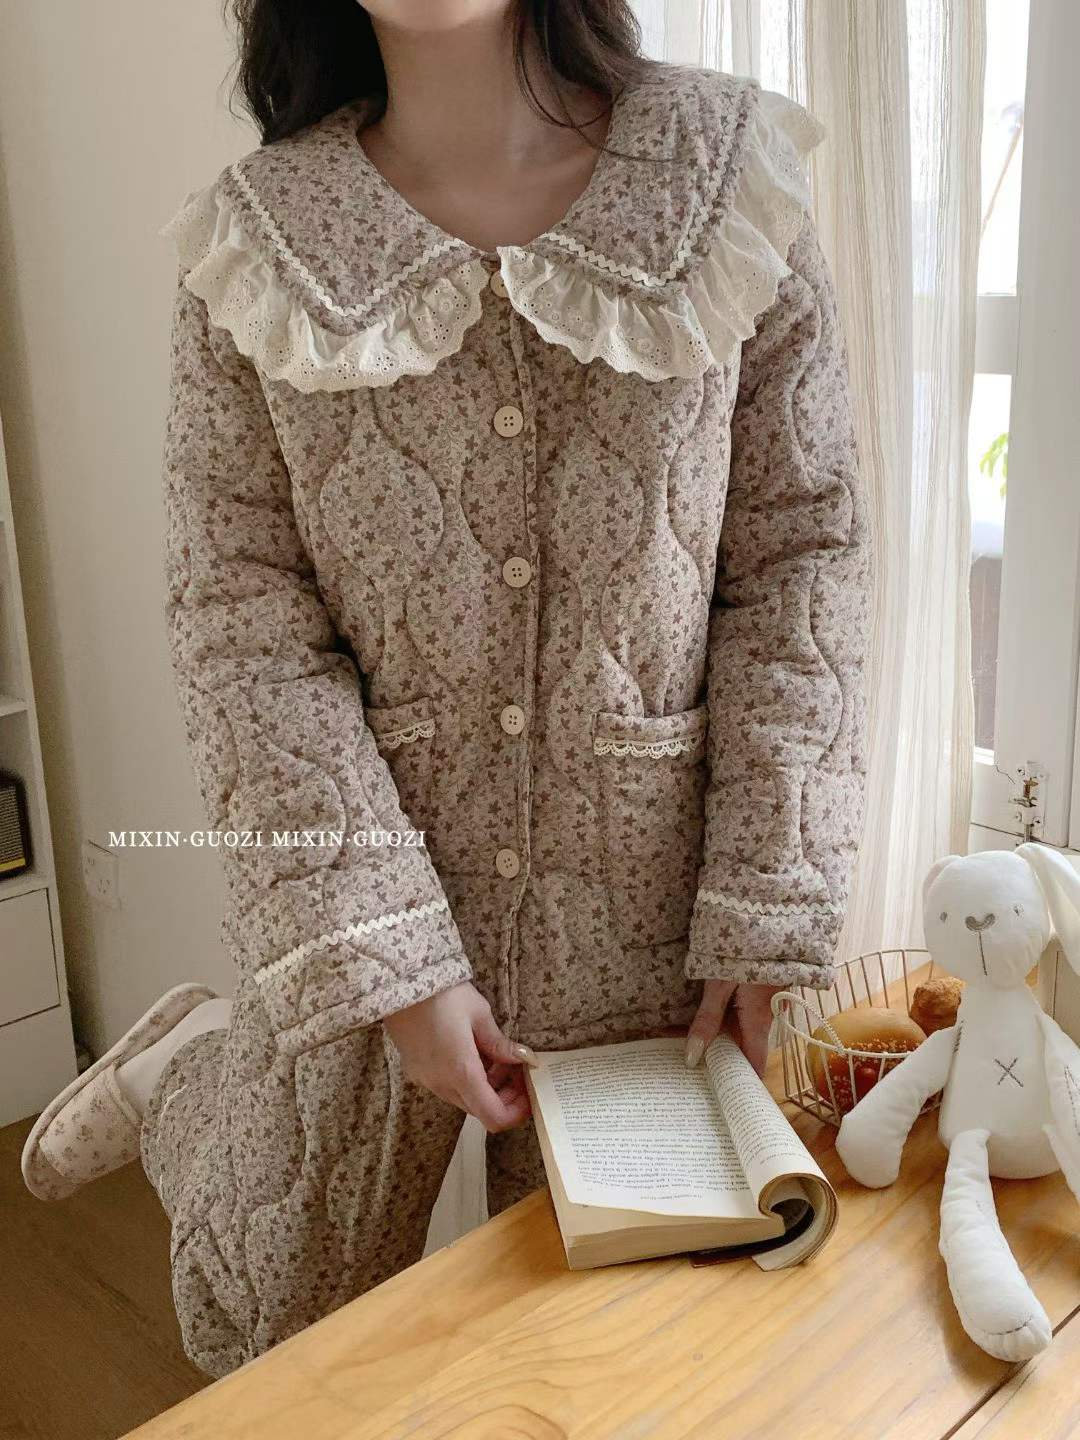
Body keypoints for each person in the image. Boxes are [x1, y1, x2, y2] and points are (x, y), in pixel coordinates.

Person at [22, 0, 871, 1379]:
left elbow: (801, 557)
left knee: (630, 1351)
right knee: (282, 1313)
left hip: (652, 906)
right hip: (364, 878)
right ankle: (194, 1084)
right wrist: (389, 961)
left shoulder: (723, 175)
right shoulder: (259, 241)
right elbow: (242, 625)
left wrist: (766, 899)